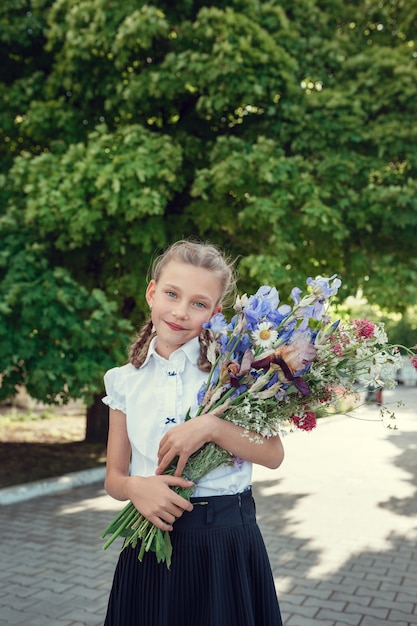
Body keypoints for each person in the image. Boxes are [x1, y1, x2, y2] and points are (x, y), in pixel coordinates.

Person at [102, 239, 285, 626]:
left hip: (226, 546)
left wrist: (211, 426)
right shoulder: (123, 381)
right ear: (152, 292)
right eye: (171, 294)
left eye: (199, 304)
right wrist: (136, 488)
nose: (180, 312)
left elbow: (272, 454)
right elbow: (114, 478)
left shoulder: (233, 373)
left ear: (215, 313)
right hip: (149, 543)